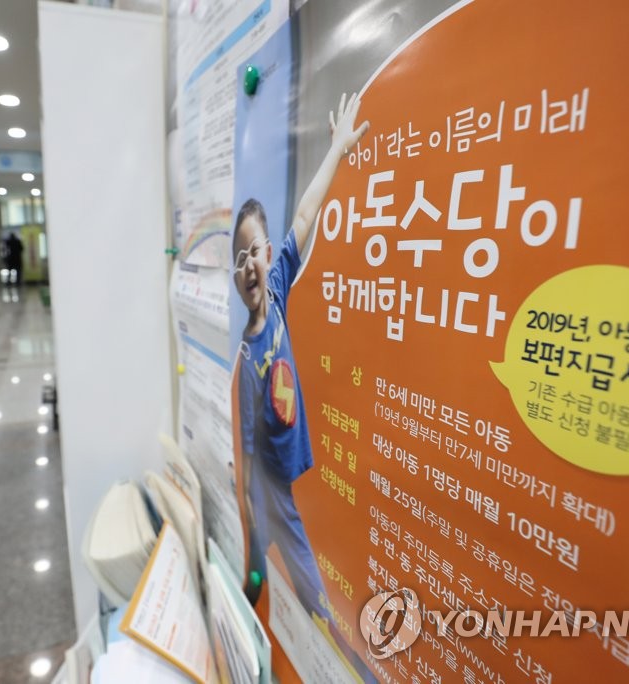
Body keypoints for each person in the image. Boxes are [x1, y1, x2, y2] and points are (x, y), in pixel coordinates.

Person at [233, 93, 370, 678]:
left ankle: (253, 588)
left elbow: (307, 214)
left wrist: (337, 149)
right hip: (270, 487)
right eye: (238, 258)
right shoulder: (247, 357)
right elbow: (244, 449)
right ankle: (334, 647)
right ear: (236, 276)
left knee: (266, 560)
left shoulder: (279, 286)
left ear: (269, 255)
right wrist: (247, 499)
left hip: (282, 474)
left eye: (255, 251)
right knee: (292, 568)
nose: (249, 264)